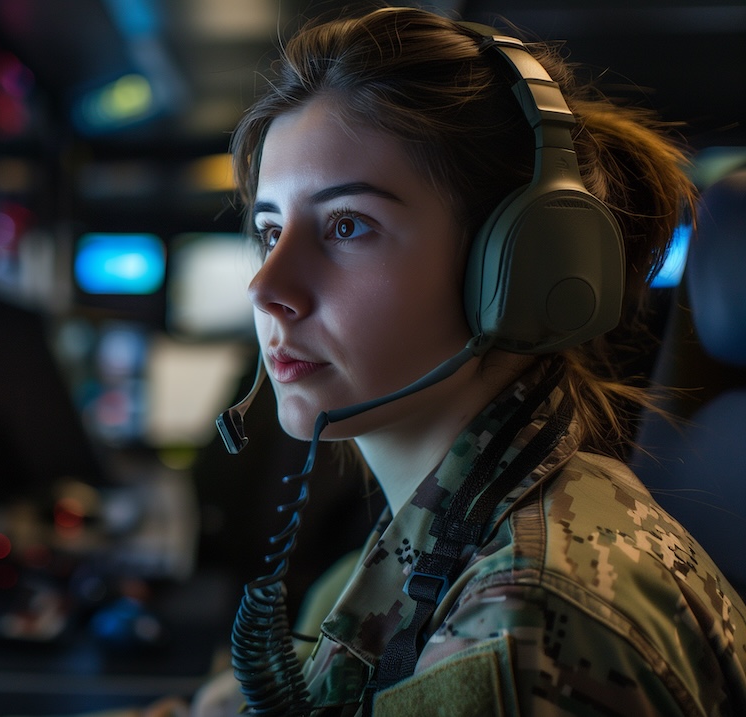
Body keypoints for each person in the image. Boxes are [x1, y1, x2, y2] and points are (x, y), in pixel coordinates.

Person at [186, 5, 746, 717]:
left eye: (347, 225)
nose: (266, 287)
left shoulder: (523, 625)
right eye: (270, 230)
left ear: (514, 268)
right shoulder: (450, 530)